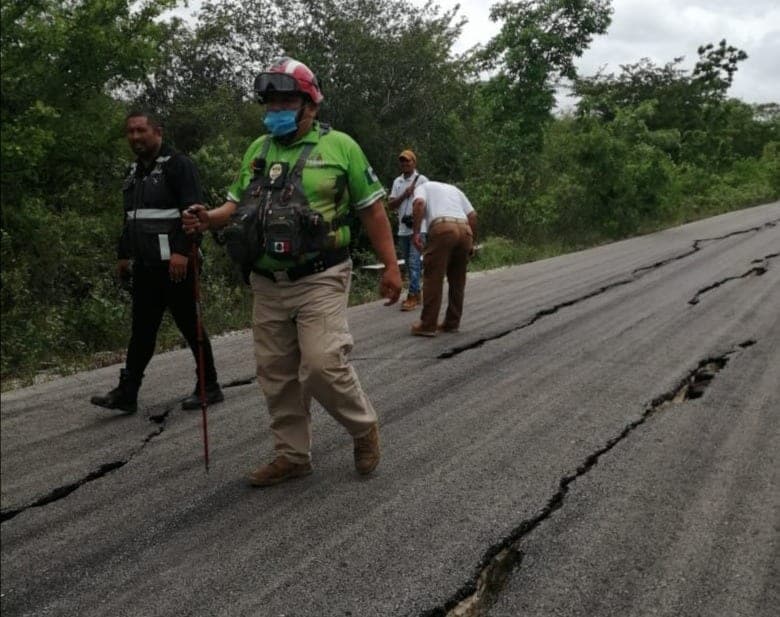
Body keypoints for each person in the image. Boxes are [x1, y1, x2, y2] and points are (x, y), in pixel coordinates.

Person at [182, 57, 401, 487]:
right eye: (270, 102)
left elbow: (372, 210)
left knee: (321, 365)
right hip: (266, 282)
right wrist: (207, 217)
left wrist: (392, 266)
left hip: (321, 275)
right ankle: (292, 455)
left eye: (285, 100)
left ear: (310, 105)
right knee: (276, 374)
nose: (275, 109)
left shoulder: (341, 146)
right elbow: (235, 205)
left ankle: (362, 427)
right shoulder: (258, 149)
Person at [90, 110, 224, 414]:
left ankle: (209, 386)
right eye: (130, 132)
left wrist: (183, 251)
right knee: (142, 332)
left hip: (177, 265)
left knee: (191, 326)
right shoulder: (134, 171)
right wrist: (123, 254)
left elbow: (194, 213)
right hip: (146, 266)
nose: (135, 137)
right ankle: (128, 392)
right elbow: (131, 219)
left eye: (141, 131)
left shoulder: (179, 165)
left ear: (157, 131)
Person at [410, 181, 477, 337]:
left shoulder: (421, 187)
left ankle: (427, 324)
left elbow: (419, 203)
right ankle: (452, 322)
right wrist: (472, 242)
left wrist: (416, 233)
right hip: (465, 229)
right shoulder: (454, 189)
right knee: (458, 280)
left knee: (433, 277)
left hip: (443, 228)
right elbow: (473, 216)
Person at [387, 150, 428, 311]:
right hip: (403, 229)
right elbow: (390, 205)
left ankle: (411, 296)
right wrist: (405, 194)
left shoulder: (422, 180)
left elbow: (427, 202)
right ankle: (417, 293)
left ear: (414, 163)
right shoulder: (397, 182)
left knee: (413, 261)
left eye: (408, 161)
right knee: (410, 263)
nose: (405, 164)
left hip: (419, 229)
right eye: (402, 162)